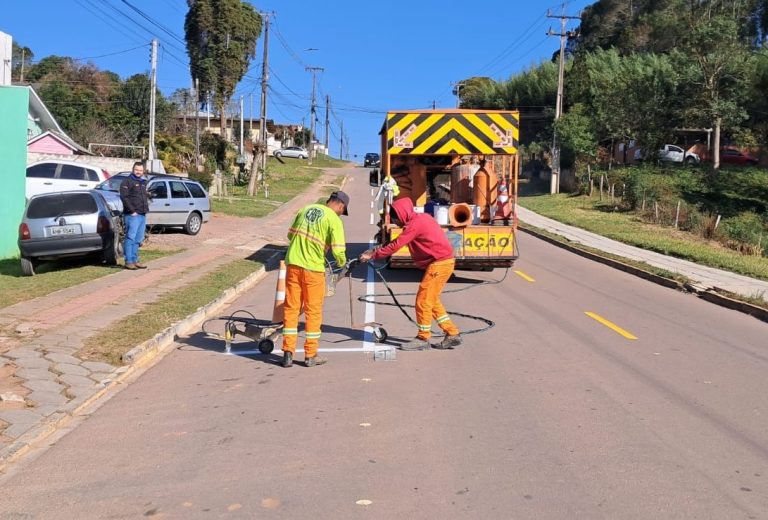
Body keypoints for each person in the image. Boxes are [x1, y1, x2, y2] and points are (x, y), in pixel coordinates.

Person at [359, 197, 462, 351]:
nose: (395, 220)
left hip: (439, 264)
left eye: (396, 216)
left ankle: (423, 337)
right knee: (432, 301)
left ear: (403, 213)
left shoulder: (415, 225)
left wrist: (372, 255)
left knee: (422, 301)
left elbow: (396, 245)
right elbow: (397, 240)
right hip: (443, 262)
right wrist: (375, 250)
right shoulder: (422, 219)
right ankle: (452, 333)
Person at [281, 191, 350, 368]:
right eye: (343, 210)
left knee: (291, 308)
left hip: (293, 265)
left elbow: (290, 235)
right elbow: (338, 250)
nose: (341, 213)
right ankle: (310, 355)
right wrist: (343, 263)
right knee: (313, 312)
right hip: (313, 270)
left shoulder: (305, 209)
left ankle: (287, 353)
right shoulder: (334, 220)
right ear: (341, 206)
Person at [119, 161, 149, 270]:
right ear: (133, 169)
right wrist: (132, 211)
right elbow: (124, 197)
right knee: (130, 238)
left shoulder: (143, 182)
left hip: (142, 214)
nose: (138, 172)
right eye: (137, 170)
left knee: (138, 239)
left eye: (141, 170)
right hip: (132, 215)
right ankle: (129, 261)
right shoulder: (127, 182)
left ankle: (135, 260)